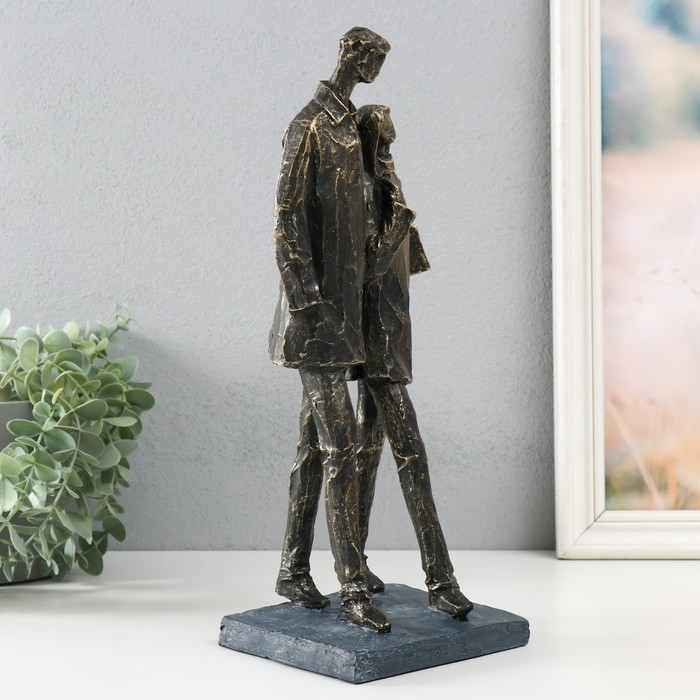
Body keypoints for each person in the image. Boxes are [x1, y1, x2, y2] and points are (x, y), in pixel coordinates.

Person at [269, 28, 392, 632]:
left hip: (348, 315)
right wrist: (306, 302)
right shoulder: (310, 125)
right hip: (316, 320)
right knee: (340, 447)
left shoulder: (353, 130)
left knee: (312, 449)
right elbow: (286, 218)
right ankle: (353, 588)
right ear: (351, 53)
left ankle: (293, 569)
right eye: (373, 57)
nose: (378, 66)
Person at [351, 104, 473, 619]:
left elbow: (412, 263)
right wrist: (397, 226)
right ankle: (440, 580)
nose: (387, 154)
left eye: (390, 145)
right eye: (380, 145)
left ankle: (354, 565)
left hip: (393, 335)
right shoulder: (360, 192)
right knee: (411, 456)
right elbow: (359, 270)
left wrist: (401, 223)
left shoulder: (387, 187)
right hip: (375, 342)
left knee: (366, 454)